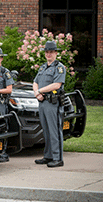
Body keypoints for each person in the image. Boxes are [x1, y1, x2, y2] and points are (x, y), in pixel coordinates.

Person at [33, 40, 66, 168]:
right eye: (47, 52)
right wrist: (37, 93)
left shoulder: (59, 67)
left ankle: (58, 158)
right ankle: (48, 156)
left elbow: (57, 85)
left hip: (53, 102)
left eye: (51, 52)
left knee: (54, 130)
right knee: (46, 130)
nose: (48, 54)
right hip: (42, 101)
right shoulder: (42, 67)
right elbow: (35, 82)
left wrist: (40, 91)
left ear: (56, 53)